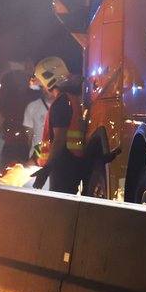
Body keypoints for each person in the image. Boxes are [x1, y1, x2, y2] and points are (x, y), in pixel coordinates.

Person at [30, 56, 87, 194]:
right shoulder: (70, 100)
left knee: (59, 209)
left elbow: (59, 139)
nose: (42, 88)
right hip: (70, 164)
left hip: (63, 166)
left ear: (49, 79)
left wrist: (47, 169)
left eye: (42, 83)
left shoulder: (60, 103)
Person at [22, 75, 52, 162]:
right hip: (36, 159)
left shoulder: (64, 106)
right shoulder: (32, 107)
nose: (45, 89)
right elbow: (29, 137)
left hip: (55, 159)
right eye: (43, 87)